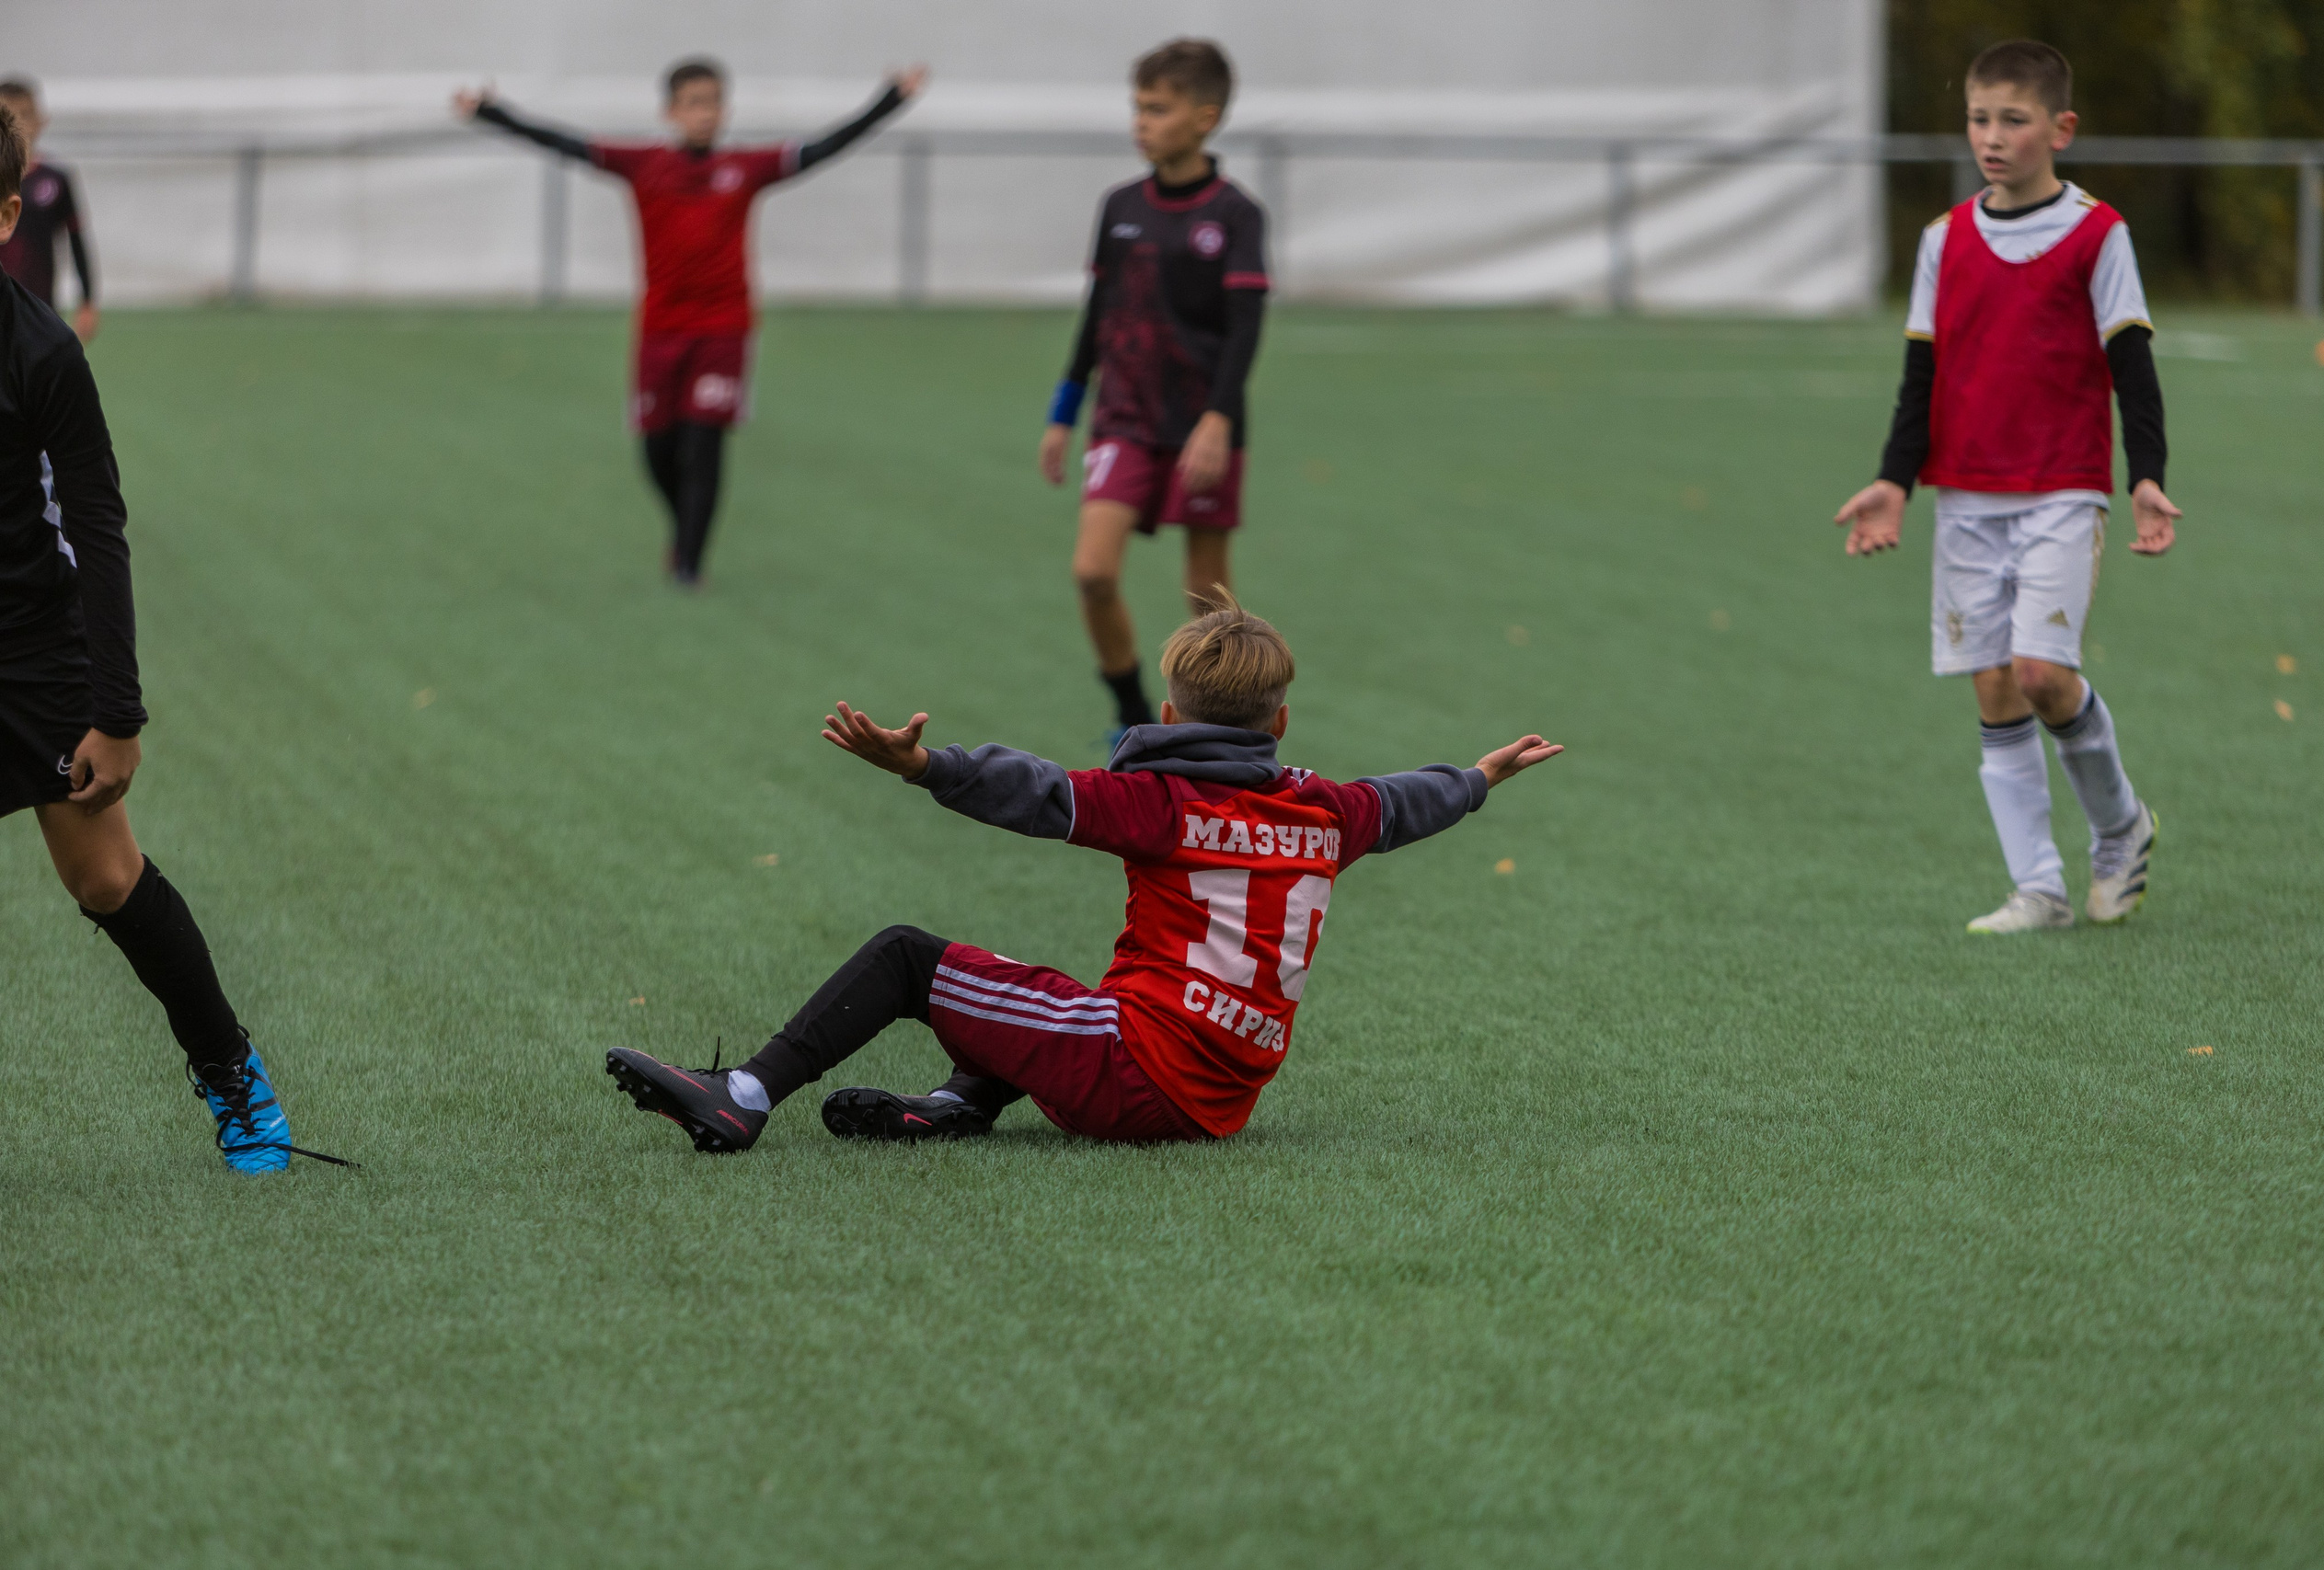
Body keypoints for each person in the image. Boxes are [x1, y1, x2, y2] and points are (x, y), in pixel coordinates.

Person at [604, 589, 1559, 1148]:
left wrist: (921, 764)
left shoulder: (1161, 804)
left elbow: (1037, 792)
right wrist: (1477, 777)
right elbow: (1405, 804)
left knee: (910, 960)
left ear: (1169, 719)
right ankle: (953, 1106)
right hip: (1220, 1098)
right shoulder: (1326, 811)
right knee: (1030, 988)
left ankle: (744, 1098)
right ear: (1278, 725)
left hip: (1139, 1074)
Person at [0, 106, 340, 1172]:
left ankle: (232, 1073)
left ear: (9, 213)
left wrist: (119, 713)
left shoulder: (42, 351)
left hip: (30, 644)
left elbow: (96, 528)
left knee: (106, 881)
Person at [1834, 39, 2174, 934]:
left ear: (2059, 128)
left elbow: (2132, 368)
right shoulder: (1943, 240)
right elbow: (1922, 378)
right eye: (1979, 118)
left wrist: (2146, 480)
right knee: (1992, 687)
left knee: (2041, 676)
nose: (1991, 136)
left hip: (2063, 487)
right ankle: (2039, 888)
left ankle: (2120, 827)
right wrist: (1891, 482)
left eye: (2012, 120)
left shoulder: (2099, 234)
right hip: (1967, 496)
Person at [457, 59, 925, 586]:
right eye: (696, 103)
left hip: (724, 326)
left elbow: (822, 148)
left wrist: (890, 101)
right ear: (671, 112)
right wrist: (493, 114)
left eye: (716, 102)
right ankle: (685, 528)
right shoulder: (642, 165)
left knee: (704, 442)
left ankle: (689, 567)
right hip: (660, 329)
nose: (708, 114)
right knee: (657, 449)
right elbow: (565, 144)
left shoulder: (746, 169)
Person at [1038, 40, 1270, 744]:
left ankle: (1213, 733)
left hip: (1202, 426)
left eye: (1158, 109)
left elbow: (1244, 327)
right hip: (1123, 419)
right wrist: (1063, 412)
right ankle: (1133, 713)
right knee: (1092, 571)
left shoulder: (1235, 215)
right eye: (1138, 107)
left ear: (1205, 118)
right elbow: (1096, 315)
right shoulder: (1119, 206)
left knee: (1208, 600)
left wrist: (1218, 419)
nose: (1142, 121)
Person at [0, 78, 98, 343]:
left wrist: (87, 300)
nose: (19, 124)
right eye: (10, 115)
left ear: (42, 120)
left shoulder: (56, 180)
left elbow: (77, 240)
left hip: (40, 308)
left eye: (26, 114)